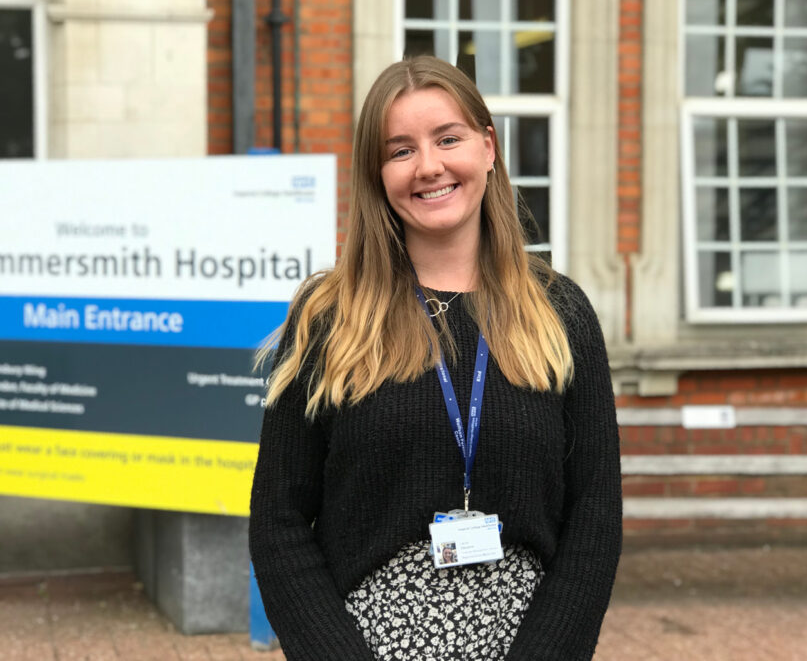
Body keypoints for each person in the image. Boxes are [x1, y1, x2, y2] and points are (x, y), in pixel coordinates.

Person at [249, 56, 622, 661]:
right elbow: (279, 522)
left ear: (488, 147)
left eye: (448, 139)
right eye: (400, 150)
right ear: (376, 173)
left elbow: (596, 513)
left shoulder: (561, 313)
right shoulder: (328, 318)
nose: (429, 166)